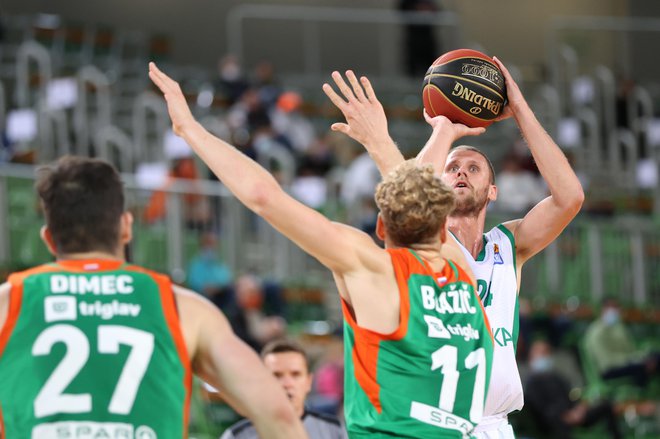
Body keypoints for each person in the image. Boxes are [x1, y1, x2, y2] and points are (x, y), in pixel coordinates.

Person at [149, 62, 494, 438]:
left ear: (380, 226)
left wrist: (190, 129)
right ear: (443, 225)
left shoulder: (375, 269)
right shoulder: (463, 269)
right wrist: (389, 140)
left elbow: (264, 197)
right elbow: (425, 204)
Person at [322, 59, 584, 439]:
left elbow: (570, 198)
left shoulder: (509, 244)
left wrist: (520, 110)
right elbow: (410, 193)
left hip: (496, 426)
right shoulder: (423, 244)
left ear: (493, 191)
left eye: (474, 168)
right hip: (433, 424)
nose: (461, 171)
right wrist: (444, 130)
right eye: (452, 168)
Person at [0, 156, 307, 439]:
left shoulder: (7, 303)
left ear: (49, 238)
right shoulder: (184, 309)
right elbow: (278, 414)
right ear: (126, 227)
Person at [221, 339, 347, 439]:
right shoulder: (237, 436)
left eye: (295, 374)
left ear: (308, 382)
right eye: (277, 375)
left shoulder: (334, 432)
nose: (287, 384)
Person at [524, 340, 622, 439]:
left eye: (547, 353)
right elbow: (540, 408)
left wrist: (579, 408)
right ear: (532, 357)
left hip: (572, 413)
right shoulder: (532, 382)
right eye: (542, 353)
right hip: (553, 421)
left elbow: (569, 395)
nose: (545, 356)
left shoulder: (555, 376)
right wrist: (564, 416)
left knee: (605, 406)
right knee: (556, 422)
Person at [584, 298, 660, 386]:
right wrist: (635, 360)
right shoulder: (596, 331)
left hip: (625, 362)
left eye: (617, 307)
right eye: (612, 307)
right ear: (602, 309)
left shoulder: (619, 328)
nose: (616, 310)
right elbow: (606, 360)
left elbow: (630, 350)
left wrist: (641, 357)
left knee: (655, 357)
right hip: (609, 368)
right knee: (642, 367)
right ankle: (637, 394)